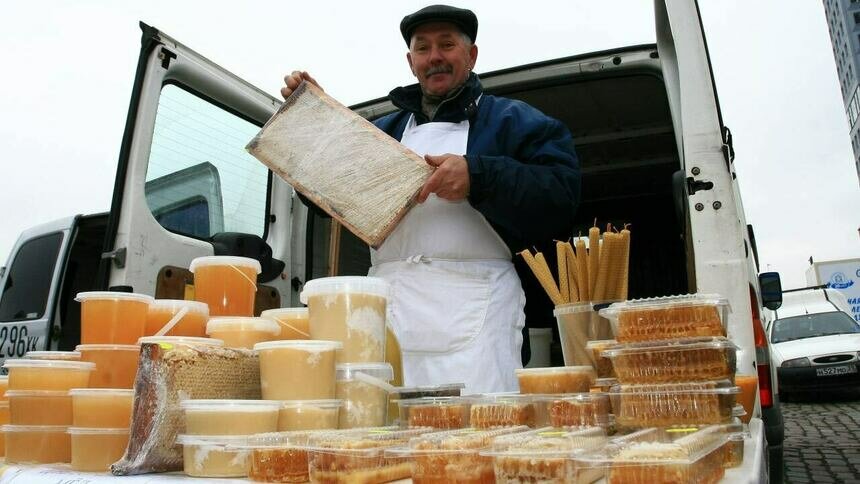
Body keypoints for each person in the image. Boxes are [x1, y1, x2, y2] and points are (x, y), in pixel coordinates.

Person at [282, 5, 580, 393]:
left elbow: (562, 192)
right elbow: (325, 193)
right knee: (386, 432)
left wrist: (478, 176)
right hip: (388, 304)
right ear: (411, 62)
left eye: (447, 45)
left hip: (477, 307)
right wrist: (321, 123)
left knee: (478, 436)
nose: (434, 57)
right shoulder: (384, 130)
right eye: (423, 49)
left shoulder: (514, 122)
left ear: (471, 55)